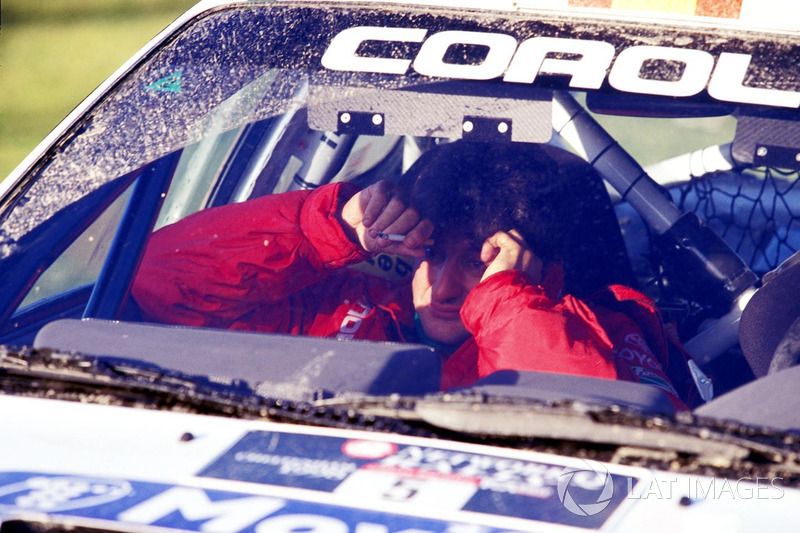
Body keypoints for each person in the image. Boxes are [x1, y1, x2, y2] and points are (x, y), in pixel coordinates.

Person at [131, 141, 693, 407]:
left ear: (535, 270)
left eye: (478, 261)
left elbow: (594, 450)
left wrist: (509, 302)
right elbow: (153, 285)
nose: (444, 286)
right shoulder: (347, 307)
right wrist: (328, 227)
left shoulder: (609, 333)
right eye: (431, 256)